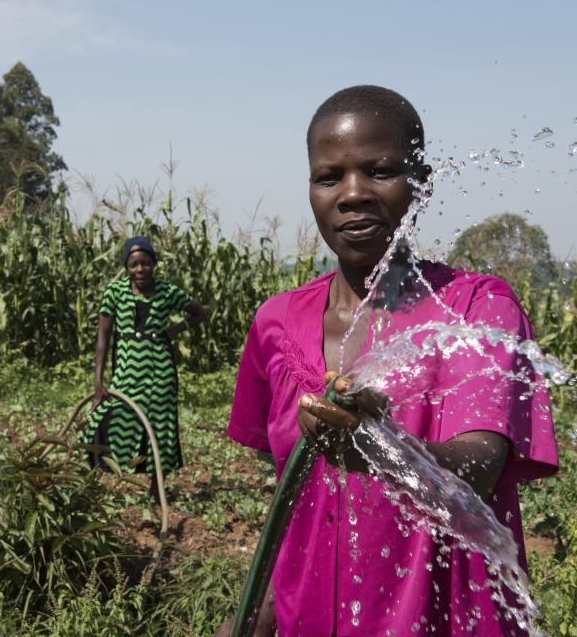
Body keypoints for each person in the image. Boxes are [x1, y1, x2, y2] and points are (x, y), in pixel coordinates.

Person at [218, 86, 559, 636]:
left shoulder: (472, 311)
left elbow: (480, 466)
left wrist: (377, 445)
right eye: (329, 177)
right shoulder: (276, 324)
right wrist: (256, 622)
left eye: (380, 171)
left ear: (420, 184)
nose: (353, 194)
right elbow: (292, 506)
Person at [84, 236, 206, 496]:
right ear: (127, 267)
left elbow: (200, 312)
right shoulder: (114, 292)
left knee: (159, 426)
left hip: (160, 371)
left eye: (146, 263)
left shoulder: (167, 291)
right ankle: (103, 479)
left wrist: (173, 330)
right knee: (105, 418)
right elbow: (103, 339)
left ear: (154, 264)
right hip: (126, 370)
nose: (140, 269)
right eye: (134, 265)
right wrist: (98, 382)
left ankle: (155, 488)